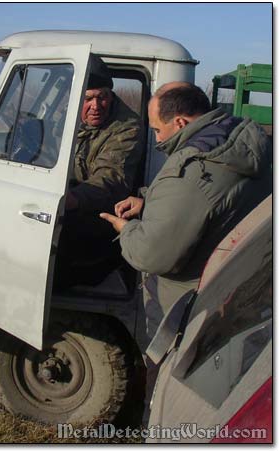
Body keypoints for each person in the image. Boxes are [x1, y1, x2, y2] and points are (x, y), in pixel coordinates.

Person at [100, 81, 272, 421]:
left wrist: (127, 229)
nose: (158, 139)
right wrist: (150, 199)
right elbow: (214, 200)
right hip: (237, 293)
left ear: (179, 122)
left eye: (158, 130)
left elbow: (152, 254)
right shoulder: (233, 138)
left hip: (187, 313)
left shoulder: (194, 168)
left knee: (167, 394)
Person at [54, 55, 144, 289]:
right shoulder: (69, 116)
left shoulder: (126, 128)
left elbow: (110, 179)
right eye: (88, 98)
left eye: (102, 97)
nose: (96, 106)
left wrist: (69, 200)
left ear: (110, 95)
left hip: (99, 222)